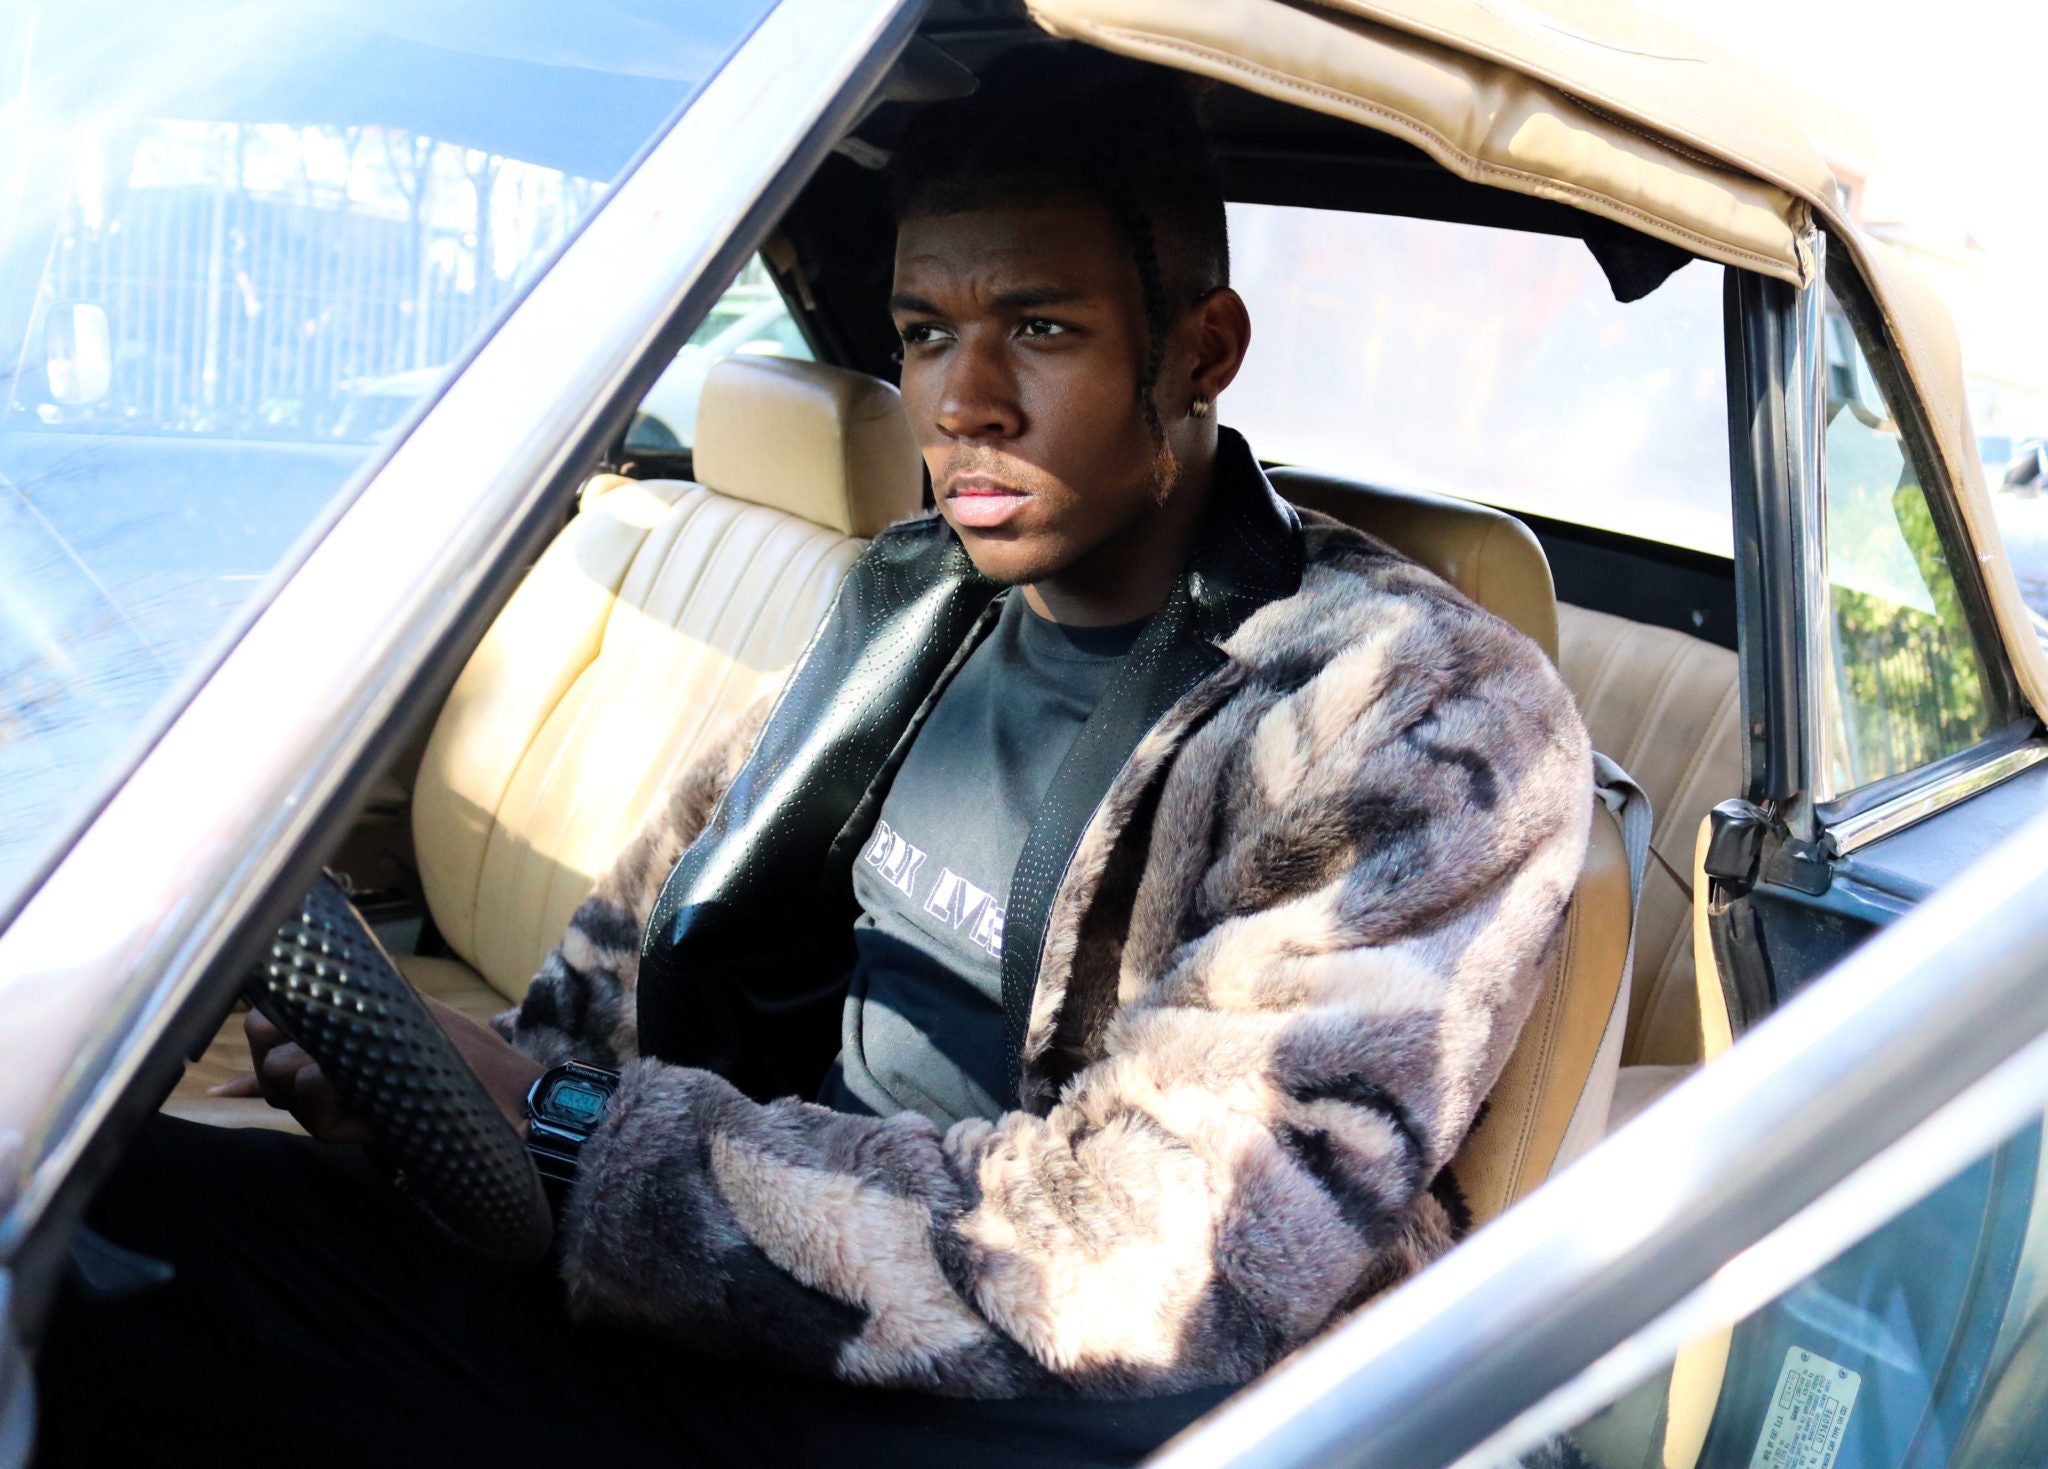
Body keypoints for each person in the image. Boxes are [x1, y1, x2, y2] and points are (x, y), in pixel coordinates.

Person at [36, 46, 1592, 1468]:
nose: (964, 403)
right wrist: (443, 1106)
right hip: (729, 1283)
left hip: (1045, 1397)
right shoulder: (911, 605)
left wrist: (572, 1135)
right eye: (925, 334)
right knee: (95, 1229)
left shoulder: (1411, 709)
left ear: (1202, 349)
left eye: (1041, 329)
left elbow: (1156, 1263)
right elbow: (627, 955)